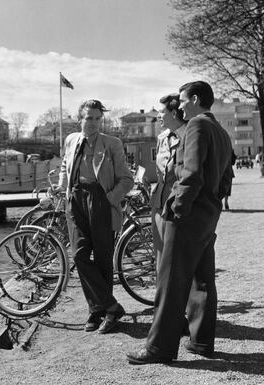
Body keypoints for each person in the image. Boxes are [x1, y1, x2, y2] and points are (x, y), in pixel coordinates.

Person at [127, 81, 233, 364]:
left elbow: (192, 172)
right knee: (202, 281)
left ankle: (159, 348)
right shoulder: (221, 131)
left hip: (187, 217)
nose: (181, 105)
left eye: (184, 100)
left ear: (195, 99)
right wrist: (212, 204)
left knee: (170, 282)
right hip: (206, 215)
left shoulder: (197, 125)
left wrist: (176, 207)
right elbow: (226, 177)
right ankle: (201, 342)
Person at [56, 99, 134, 333]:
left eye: (98, 119)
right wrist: (62, 187)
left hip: (101, 200)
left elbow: (127, 179)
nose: (93, 123)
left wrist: (109, 199)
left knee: (102, 259)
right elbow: (64, 166)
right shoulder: (71, 140)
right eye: (89, 118)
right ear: (79, 118)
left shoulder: (112, 143)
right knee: (79, 255)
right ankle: (110, 306)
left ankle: (98, 312)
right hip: (76, 200)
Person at [151, 94, 186, 272]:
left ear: (174, 113)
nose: (159, 116)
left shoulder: (190, 135)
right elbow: (160, 172)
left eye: (162, 112)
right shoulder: (162, 138)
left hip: (178, 204)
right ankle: (163, 297)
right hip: (159, 204)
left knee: (178, 256)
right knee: (160, 256)